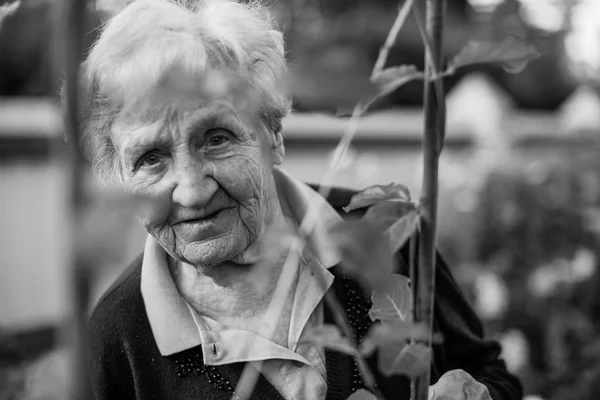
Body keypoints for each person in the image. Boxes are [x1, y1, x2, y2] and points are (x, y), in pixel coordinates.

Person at [67, 0, 523, 399]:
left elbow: (490, 372)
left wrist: (478, 392)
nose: (191, 189)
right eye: (151, 158)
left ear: (274, 135)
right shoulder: (119, 336)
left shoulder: (385, 229)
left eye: (217, 138)